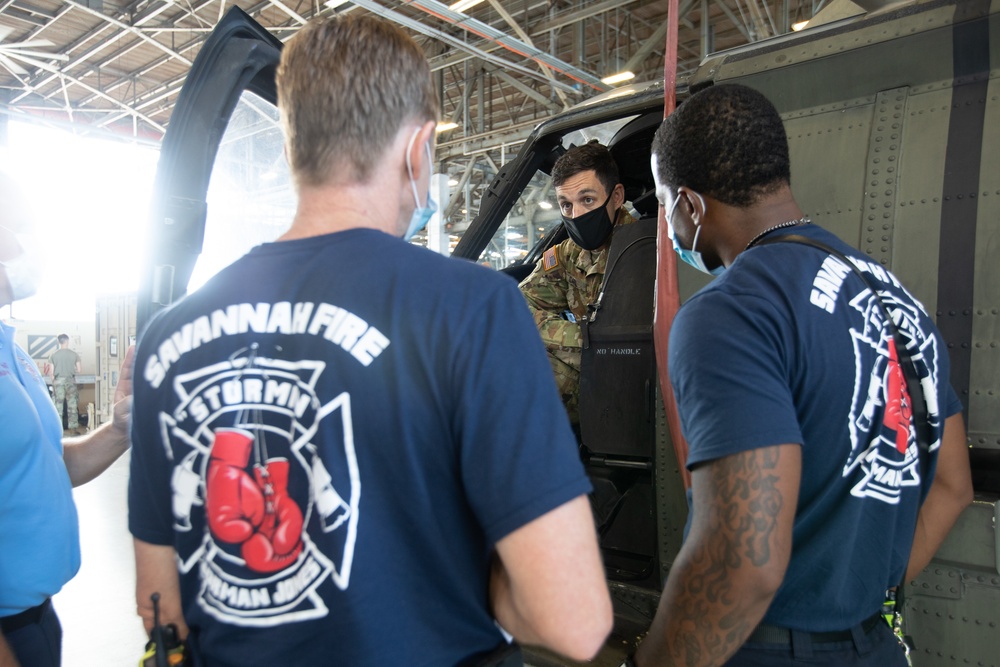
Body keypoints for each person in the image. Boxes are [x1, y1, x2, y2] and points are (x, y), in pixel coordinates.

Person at [127, 14, 612, 667]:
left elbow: (161, 604)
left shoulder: (170, 338)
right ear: (417, 150)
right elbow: (574, 621)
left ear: (296, 145)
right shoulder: (473, 308)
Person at [632, 83, 973, 667]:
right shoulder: (890, 296)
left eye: (666, 208)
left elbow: (741, 560)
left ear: (689, 204)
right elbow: (951, 485)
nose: (669, 229)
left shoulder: (729, 312)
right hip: (875, 644)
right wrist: (852, 597)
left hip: (762, 646)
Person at [0, 174, 134, 667]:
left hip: (37, 617)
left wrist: (119, 430)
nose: (35, 242)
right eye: (22, 224)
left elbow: (49, 465)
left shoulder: (11, 351)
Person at [519, 140, 634, 424]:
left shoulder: (648, 251)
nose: (577, 215)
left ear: (616, 196)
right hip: (588, 373)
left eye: (587, 200)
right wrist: (580, 339)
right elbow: (516, 304)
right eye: (566, 205)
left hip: (629, 385)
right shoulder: (568, 255)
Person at [49, 333, 82, 434]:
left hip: (58, 381)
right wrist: (71, 371)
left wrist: (54, 382)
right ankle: (73, 429)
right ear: (67, 341)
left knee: (58, 406)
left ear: (59, 342)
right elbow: (79, 370)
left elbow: (51, 372)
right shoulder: (74, 354)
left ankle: (59, 430)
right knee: (72, 405)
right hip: (70, 381)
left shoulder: (53, 355)